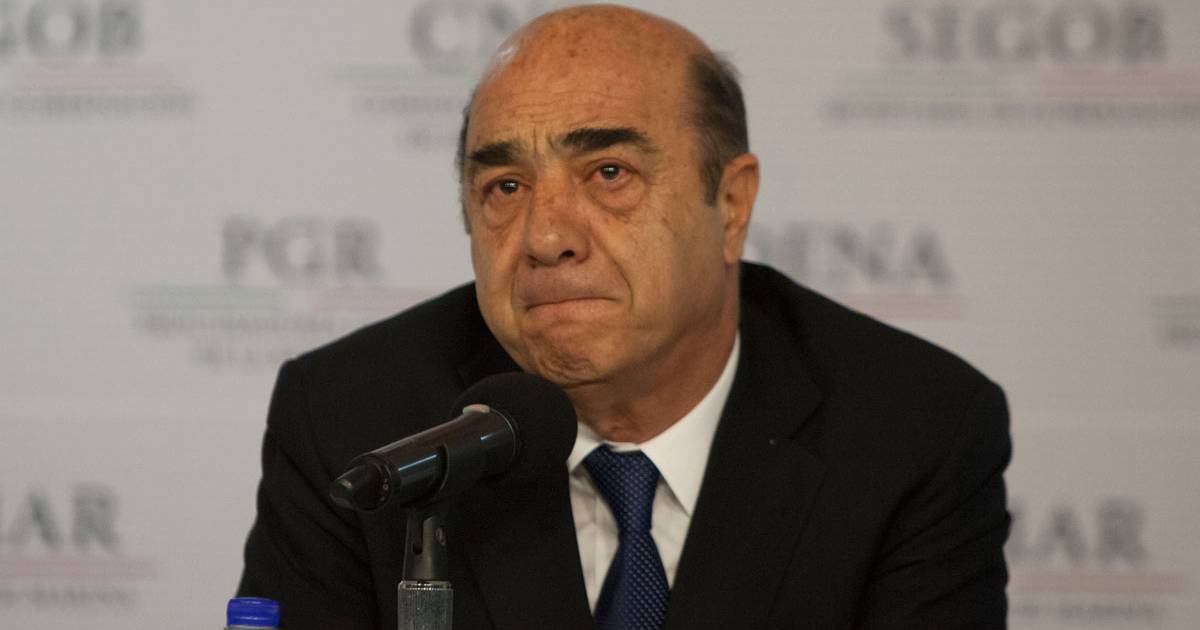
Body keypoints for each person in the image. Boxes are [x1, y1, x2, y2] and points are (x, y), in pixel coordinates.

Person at [237, 5, 1011, 629]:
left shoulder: (913, 431)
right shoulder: (352, 421)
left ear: (731, 205)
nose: (545, 238)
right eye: (505, 187)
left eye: (609, 173)